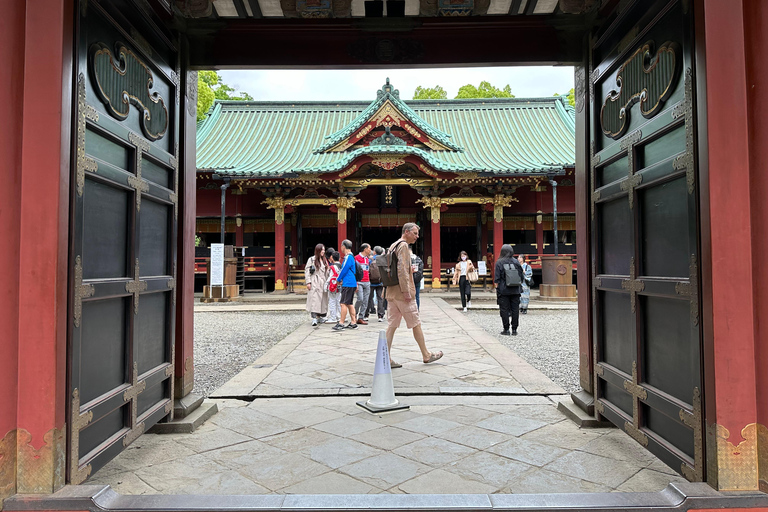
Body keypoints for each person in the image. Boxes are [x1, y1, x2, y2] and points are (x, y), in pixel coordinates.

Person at [385, 223, 443, 368]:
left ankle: (385, 357)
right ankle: (426, 354)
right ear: (407, 232)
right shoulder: (403, 246)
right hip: (401, 293)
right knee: (416, 323)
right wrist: (406, 291)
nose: (417, 236)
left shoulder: (393, 245)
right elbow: (402, 270)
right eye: (415, 233)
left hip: (391, 291)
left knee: (391, 326)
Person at [494, 244, 524, 335]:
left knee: (504, 309)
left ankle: (506, 329)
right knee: (515, 309)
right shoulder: (516, 262)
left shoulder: (499, 262)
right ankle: (514, 329)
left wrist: (497, 288)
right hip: (515, 289)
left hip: (503, 289)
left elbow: (497, 279)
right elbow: (521, 276)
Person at [333, 239, 358, 331]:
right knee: (349, 303)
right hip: (352, 282)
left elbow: (344, 269)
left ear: (343, 246)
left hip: (347, 282)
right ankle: (353, 322)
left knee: (343, 303)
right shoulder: (352, 257)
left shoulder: (348, 257)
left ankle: (341, 323)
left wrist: (338, 279)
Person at [304, 244, 330, 327]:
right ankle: (314, 317)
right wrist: (308, 282)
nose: (323, 251)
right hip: (315, 281)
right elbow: (307, 271)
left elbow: (327, 272)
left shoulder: (324, 260)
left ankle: (321, 316)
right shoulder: (311, 259)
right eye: (322, 250)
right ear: (318, 250)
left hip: (323, 281)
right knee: (315, 300)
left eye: (324, 250)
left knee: (323, 300)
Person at [354, 243, 372, 325]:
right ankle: (354, 314)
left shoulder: (367, 259)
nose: (370, 250)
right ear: (365, 249)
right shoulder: (356, 258)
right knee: (360, 299)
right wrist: (356, 282)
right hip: (359, 281)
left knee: (365, 300)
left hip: (367, 281)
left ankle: (361, 317)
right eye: (369, 248)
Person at [368, 246, 386, 322]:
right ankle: (380, 315)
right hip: (380, 282)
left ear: (374, 252)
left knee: (369, 298)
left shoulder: (370, 260)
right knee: (380, 298)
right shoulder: (383, 260)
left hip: (371, 282)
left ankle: (366, 314)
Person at [326, 251, 342, 324]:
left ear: (332, 257)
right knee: (339, 301)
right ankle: (341, 316)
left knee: (332, 301)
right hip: (340, 286)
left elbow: (330, 277)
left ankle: (333, 317)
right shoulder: (341, 266)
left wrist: (326, 285)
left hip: (333, 286)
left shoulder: (332, 267)